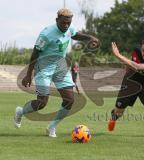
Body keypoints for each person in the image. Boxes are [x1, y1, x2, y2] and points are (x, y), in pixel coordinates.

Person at [13, 8, 99, 137]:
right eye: (63, 23)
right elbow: (35, 53)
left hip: (60, 67)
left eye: (68, 23)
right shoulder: (46, 34)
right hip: (43, 68)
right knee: (42, 103)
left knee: (70, 100)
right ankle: (21, 112)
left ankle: (52, 127)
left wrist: (89, 37)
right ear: (57, 20)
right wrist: (28, 74)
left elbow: (75, 34)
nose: (66, 26)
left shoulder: (69, 28)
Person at [108, 38, 144, 138]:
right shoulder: (136, 50)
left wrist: (118, 55)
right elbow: (131, 62)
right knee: (119, 111)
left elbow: (137, 66)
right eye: (143, 50)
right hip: (129, 84)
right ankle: (113, 119)